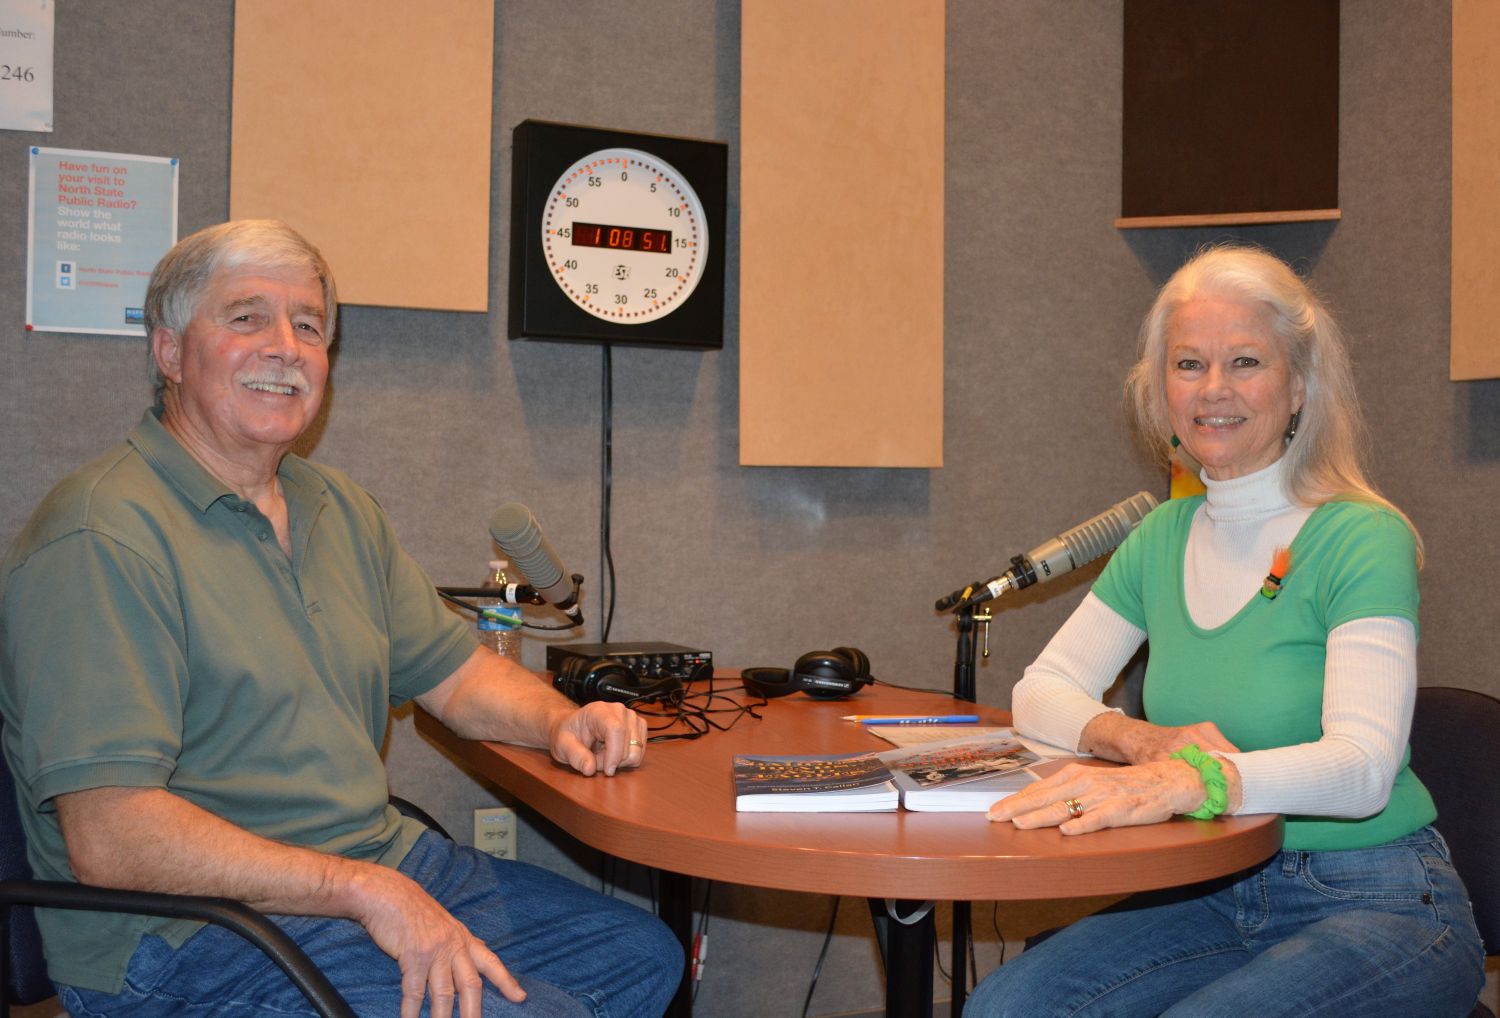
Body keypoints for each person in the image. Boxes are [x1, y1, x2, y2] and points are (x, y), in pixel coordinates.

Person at [0, 220, 682, 1018]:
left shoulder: (339, 508)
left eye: (310, 325)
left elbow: (457, 678)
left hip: (371, 868)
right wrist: (361, 892)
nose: (286, 346)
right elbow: (112, 839)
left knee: (640, 956)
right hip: (191, 938)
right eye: (246, 317)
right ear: (170, 353)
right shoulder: (101, 536)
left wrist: (562, 722)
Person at [965, 246, 1485, 1018]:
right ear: (1159, 390)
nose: (1214, 390)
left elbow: (1364, 769)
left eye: (1245, 361)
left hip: (1379, 899)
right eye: (1188, 364)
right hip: (1211, 889)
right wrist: (1140, 742)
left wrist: (1197, 780)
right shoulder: (1161, 537)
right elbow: (1039, 692)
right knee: (1003, 1011)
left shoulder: (1360, 536)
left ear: (1299, 386)